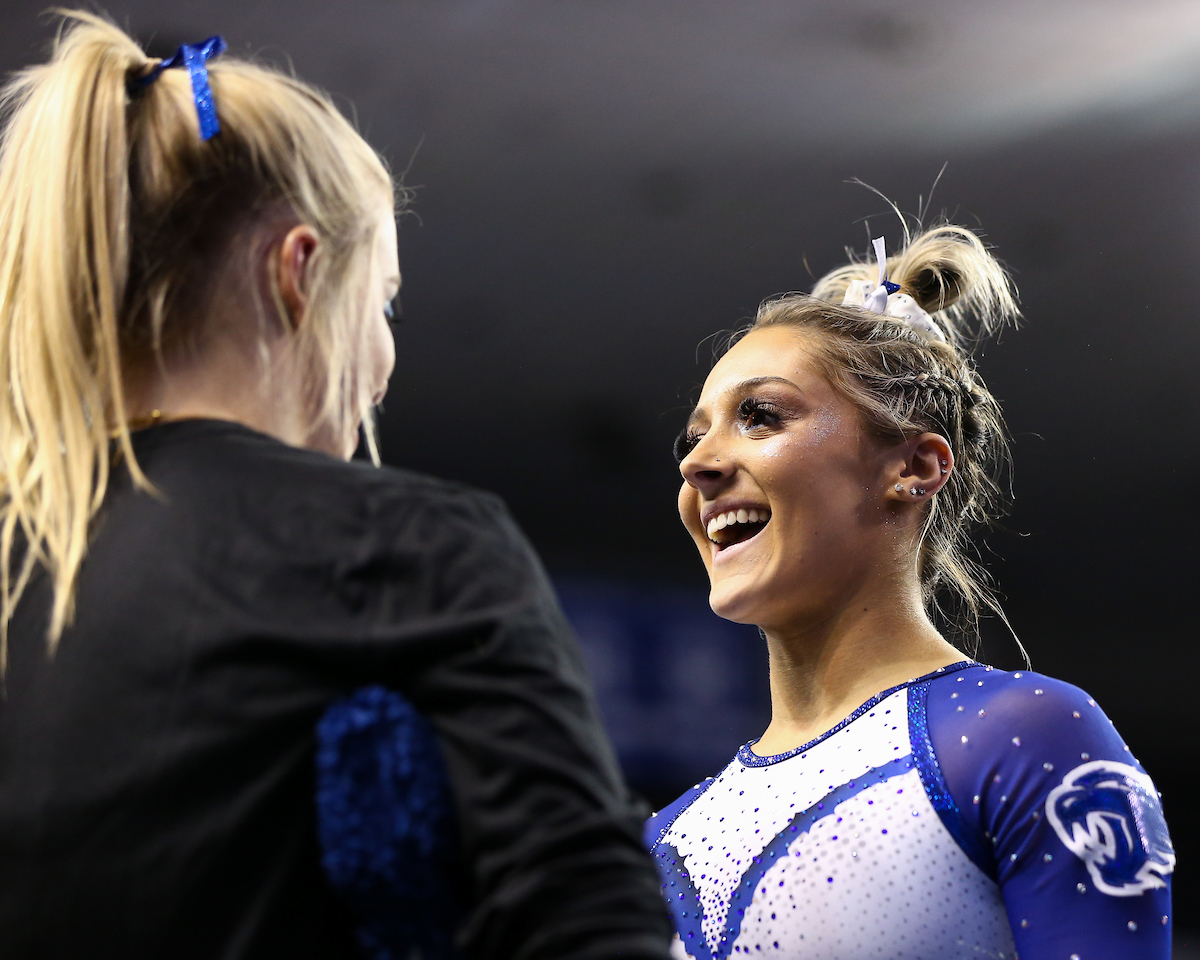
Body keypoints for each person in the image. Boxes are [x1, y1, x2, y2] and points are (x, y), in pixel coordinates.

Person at [0, 13, 672, 960]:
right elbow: (592, 927)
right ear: (299, 272)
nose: (384, 366)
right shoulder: (406, 543)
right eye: (383, 301)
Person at [645, 225, 1174, 959]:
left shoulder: (1015, 736)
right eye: (692, 440)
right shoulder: (670, 837)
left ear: (915, 467)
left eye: (759, 416)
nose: (697, 464)